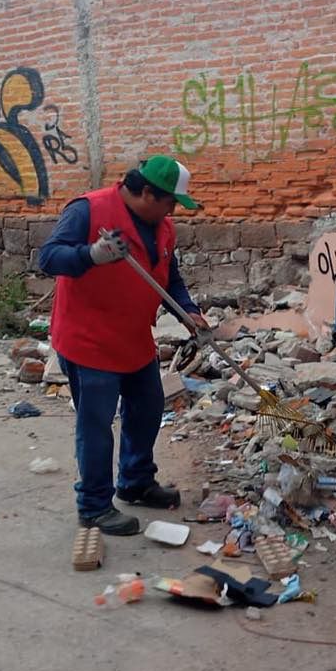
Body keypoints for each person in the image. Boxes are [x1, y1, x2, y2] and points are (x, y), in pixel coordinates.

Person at [39, 155, 209, 537]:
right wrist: (91, 256)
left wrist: (189, 312)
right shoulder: (89, 210)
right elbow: (48, 258)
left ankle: (134, 481)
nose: (171, 212)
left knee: (147, 409)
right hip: (89, 341)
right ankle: (94, 506)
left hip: (133, 337)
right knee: (97, 426)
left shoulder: (162, 227)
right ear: (147, 192)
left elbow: (170, 277)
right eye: (169, 202)